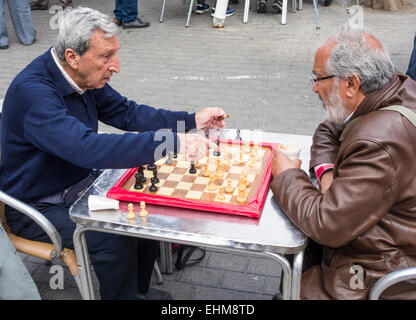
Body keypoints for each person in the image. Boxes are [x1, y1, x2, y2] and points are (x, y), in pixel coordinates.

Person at [0, 6, 226, 300]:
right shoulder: (35, 96)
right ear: (73, 57)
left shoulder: (82, 76)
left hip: (80, 186)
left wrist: (191, 120)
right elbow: (87, 149)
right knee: (114, 233)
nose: (116, 65)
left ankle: (135, 293)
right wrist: (172, 142)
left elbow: (125, 113)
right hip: (37, 207)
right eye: (106, 57)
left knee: (147, 214)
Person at [271, 25, 416, 299]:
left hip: (376, 274)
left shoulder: (381, 141)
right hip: (375, 243)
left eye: (318, 78)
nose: (314, 88)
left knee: (293, 280)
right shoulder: (391, 89)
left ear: (351, 83)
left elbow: (327, 224)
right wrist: (327, 176)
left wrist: (288, 175)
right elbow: (329, 129)